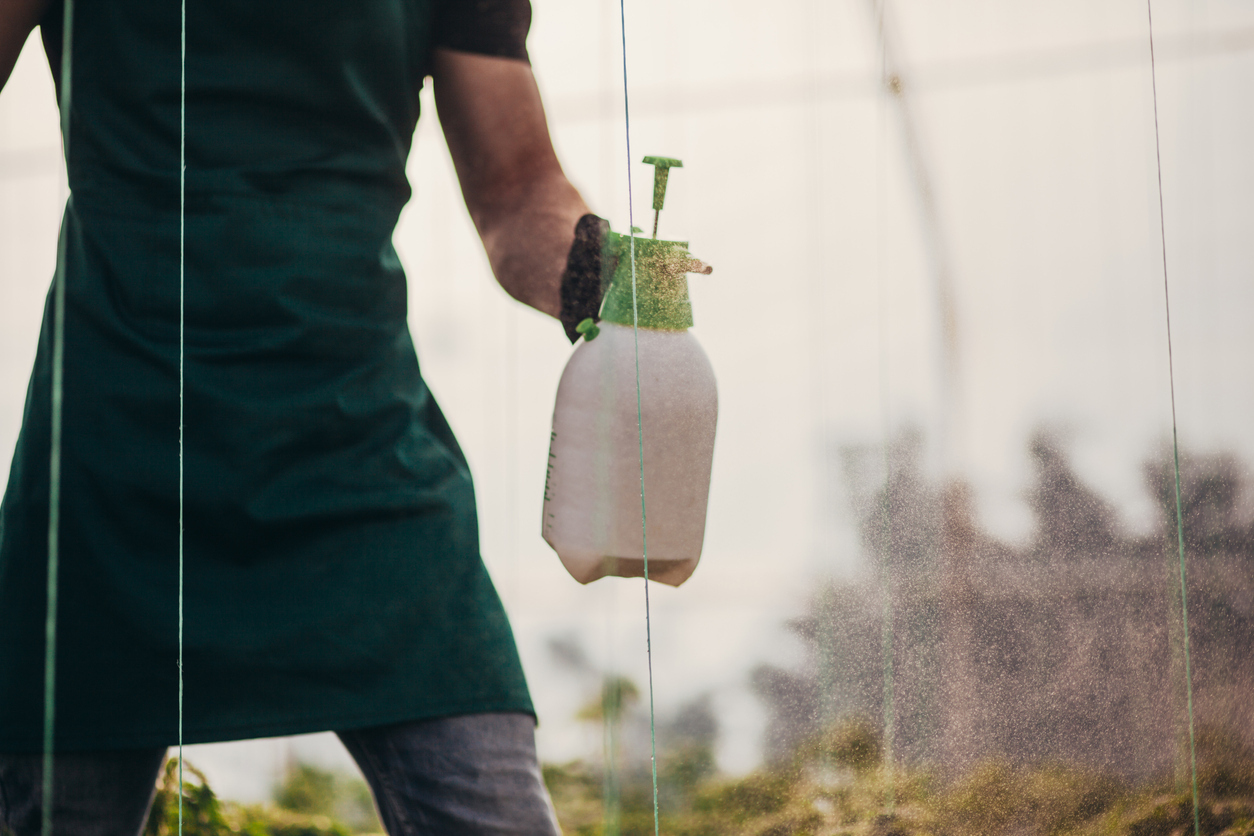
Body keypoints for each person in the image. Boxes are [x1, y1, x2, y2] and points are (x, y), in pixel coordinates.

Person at [0, 0, 611, 832]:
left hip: (362, 447)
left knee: (488, 808)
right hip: (115, 450)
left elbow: (516, 192)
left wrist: (610, 290)